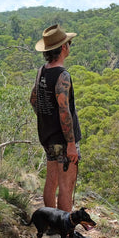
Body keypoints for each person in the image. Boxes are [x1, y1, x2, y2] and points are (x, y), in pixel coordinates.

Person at [30, 24, 81, 213]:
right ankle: (65, 231)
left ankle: (51, 221)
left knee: (51, 181)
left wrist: (46, 119)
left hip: (47, 136)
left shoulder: (41, 71)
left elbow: (33, 99)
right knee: (66, 186)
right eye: (68, 43)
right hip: (63, 139)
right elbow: (64, 111)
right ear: (63, 48)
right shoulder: (62, 75)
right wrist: (70, 144)